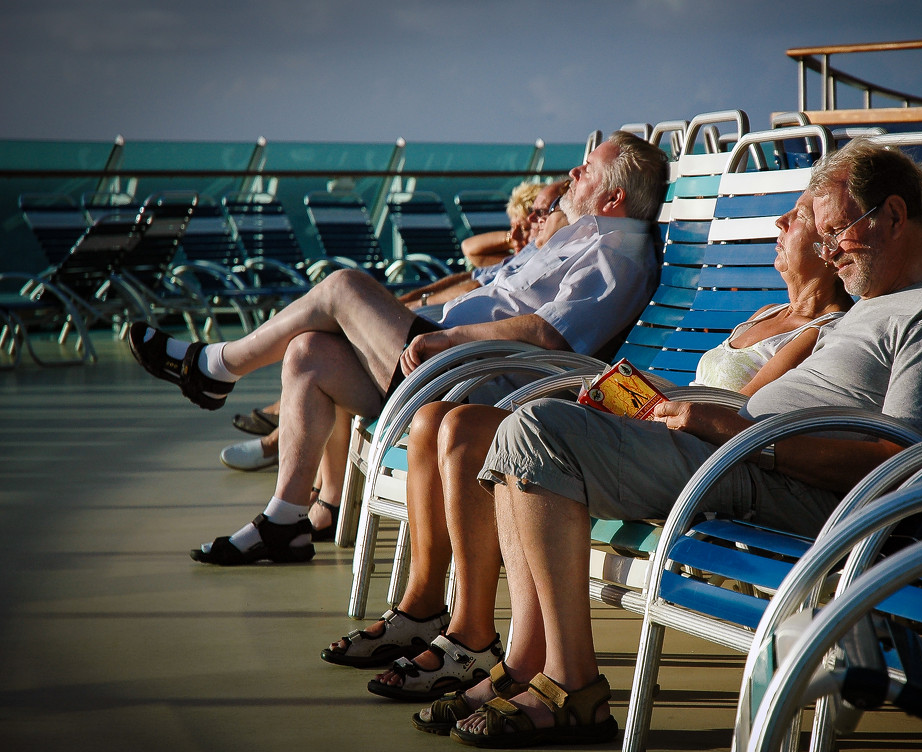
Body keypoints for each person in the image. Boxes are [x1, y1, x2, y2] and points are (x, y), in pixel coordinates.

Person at [450, 138, 922, 747]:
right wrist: (666, 408)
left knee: (538, 432)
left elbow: (900, 465)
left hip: (800, 490)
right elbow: (763, 402)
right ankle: (530, 664)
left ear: (894, 215)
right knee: (528, 415)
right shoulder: (868, 306)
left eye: (837, 231)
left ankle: (573, 684)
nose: (827, 252)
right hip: (739, 452)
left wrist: (741, 436)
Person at [318, 192, 852, 735]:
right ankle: (474, 633)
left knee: (532, 432)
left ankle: (535, 667)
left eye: (800, 218)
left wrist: (644, 405)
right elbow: (697, 392)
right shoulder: (765, 315)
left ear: (830, 249)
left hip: (700, 452)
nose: (780, 223)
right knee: (453, 422)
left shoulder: (816, 330)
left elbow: (733, 412)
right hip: (665, 423)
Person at [127, 131, 669, 566]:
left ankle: (215, 366)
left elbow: (550, 336)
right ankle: (283, 521)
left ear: (614, 196)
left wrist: (449, 335)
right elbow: (490, 288)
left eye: (587, 170)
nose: (572, 173)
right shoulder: (578, 239)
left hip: (476, 375)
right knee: (308, 353)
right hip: (443, 358)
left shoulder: (616, 257)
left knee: (342, 286)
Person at [213, 180, 570, 475]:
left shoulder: (543, 263)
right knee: (310, 348)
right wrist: (520, 235)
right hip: (436, 353)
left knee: (343, 287)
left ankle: (227, 373)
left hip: (451, 370)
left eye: (540, 214)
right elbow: (467, 261)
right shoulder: (520, 259)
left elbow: (492, 297)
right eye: (529, 215)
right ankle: (311, 507)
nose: (528, 224)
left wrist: (521, 237)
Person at [396, 180, 570, 309]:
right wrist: (511, 237)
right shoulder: (520, 255)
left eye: (525, 227)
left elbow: (473, 283)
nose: (519, 234)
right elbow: (470, 261)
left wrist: (420, 303)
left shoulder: (538, 257)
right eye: (512, 227)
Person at [460, 181, 541, 269]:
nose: (513, 235)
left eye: (523, 229)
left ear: (543, 225)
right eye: (512, 227)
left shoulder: (539, 264)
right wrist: (511, 240)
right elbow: (469, 249)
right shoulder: (514, 261)